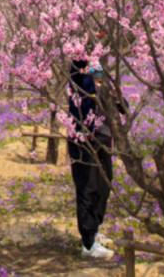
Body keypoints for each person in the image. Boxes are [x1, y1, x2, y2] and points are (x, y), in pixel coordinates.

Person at [67, 58, 114, 259]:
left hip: (103, 135)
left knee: (104, 184)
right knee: (88, 187)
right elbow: (87, 86)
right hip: (83, 137)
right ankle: (88, 243)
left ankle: (94, 230)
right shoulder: (78, 65)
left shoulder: (99, 63)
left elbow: (109, 93)